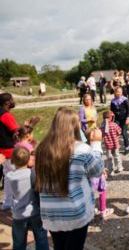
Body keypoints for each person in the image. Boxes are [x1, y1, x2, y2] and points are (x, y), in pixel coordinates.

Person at [35, 107, 104, 250]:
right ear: (74, 125)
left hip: (51, 212)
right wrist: (96, 144)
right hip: (75, 212)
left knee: (59, 246)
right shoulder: (81, 149)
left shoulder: (42, 149)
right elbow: (97, 170)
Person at [6, 146, 49, 250]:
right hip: (35, 212)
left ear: (13, 160)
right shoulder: (32, 173)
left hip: (18, 215)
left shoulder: (9, 175)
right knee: (41, 238)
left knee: (19, 242)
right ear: (28, 159)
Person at [86, 129, 114, 220]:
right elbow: (96, 162)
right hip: (97, 175)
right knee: (102, 191)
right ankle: (103, 210)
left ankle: (91, 210)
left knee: (90, 193)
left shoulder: (89, 149)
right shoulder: (96, 150)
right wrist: (102, 170)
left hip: (90, 176)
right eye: (94, 131)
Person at [0, 93, 19, 210]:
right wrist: (29, 126)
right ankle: (16, 204)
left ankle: (7, 202)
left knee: (7, 178)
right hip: (9, 151)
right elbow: (16, 132)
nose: (13, 101)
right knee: (16, 177)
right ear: (7, 102)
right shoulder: (6, 116)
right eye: (12, 99)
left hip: (2, 151)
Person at [111, 86, 129, 154]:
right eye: (118, 92)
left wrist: (128, 118)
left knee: (124, 132)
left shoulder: (125, 99)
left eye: (120, 92)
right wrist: (111, 119)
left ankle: (127, 147)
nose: (119, 93)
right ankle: (115, 147)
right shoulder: (113, 101)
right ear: (115, 92)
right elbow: (111, 111)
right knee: (115, 132)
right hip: (117, 119)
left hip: (125, 118)